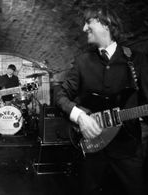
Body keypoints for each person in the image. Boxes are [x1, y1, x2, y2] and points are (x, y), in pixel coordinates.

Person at [56, 6, 148, 195]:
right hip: (91, 150)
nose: (83, 28)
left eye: (88, 22)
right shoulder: (82, 61)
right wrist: (80, 116)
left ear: (105, 24)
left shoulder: (137, 60)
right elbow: (60, 95)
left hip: (127, 151)